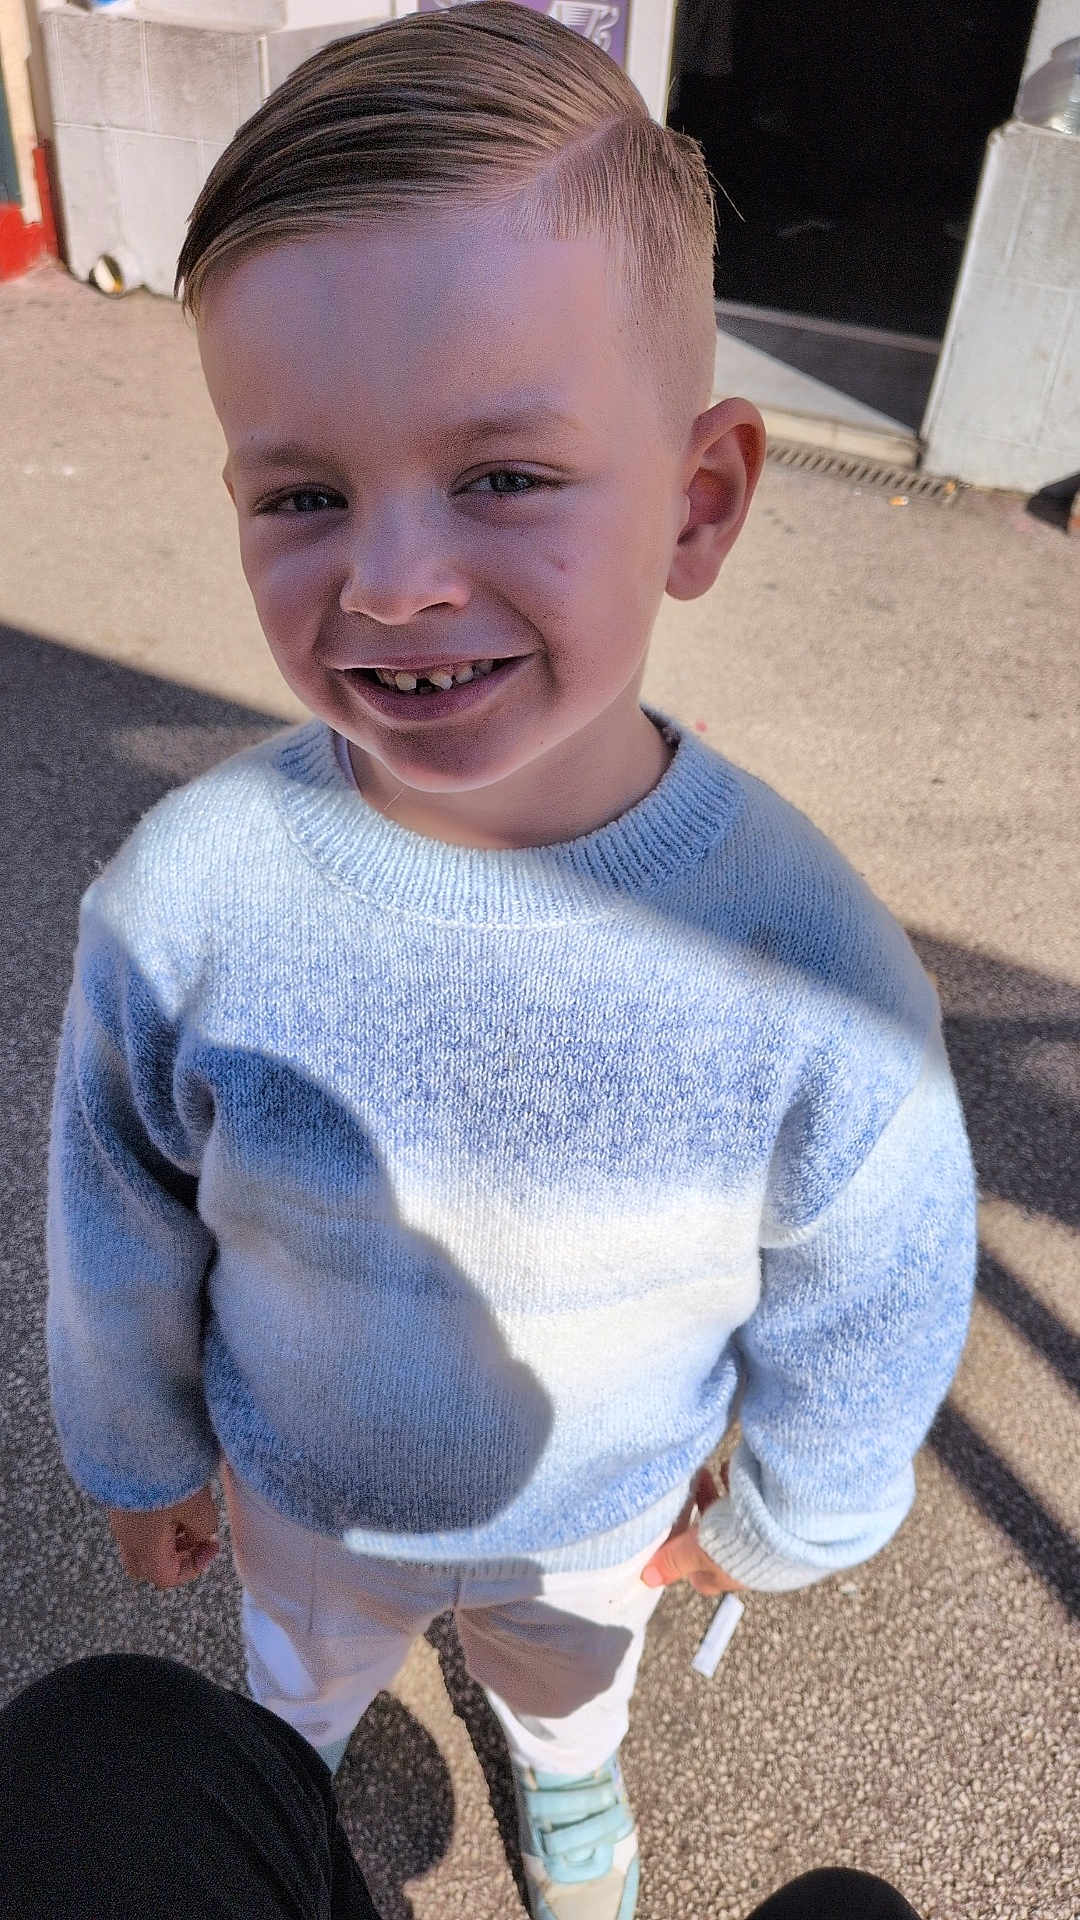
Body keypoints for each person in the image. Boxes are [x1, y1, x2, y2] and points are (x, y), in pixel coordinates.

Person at [44, 11, 976, 1920]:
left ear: (702, 498)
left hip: (602, 1510)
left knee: (566, 1697)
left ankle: (559, 1790)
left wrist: (791, 1510)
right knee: (290, 1690)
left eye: (503, 478)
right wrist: (140, 1442)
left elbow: (877, 1268)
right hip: (303, 1478)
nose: (388, 581)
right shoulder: (188, 893)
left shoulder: (801, 960)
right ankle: (282, 1805)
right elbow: (115, 1195)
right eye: (301, 492)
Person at [0, 1655, 925, 1920]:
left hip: (589, 1455)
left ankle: (559, 1757)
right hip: (315, 1448)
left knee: (118, 1737)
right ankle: (303, 1736)